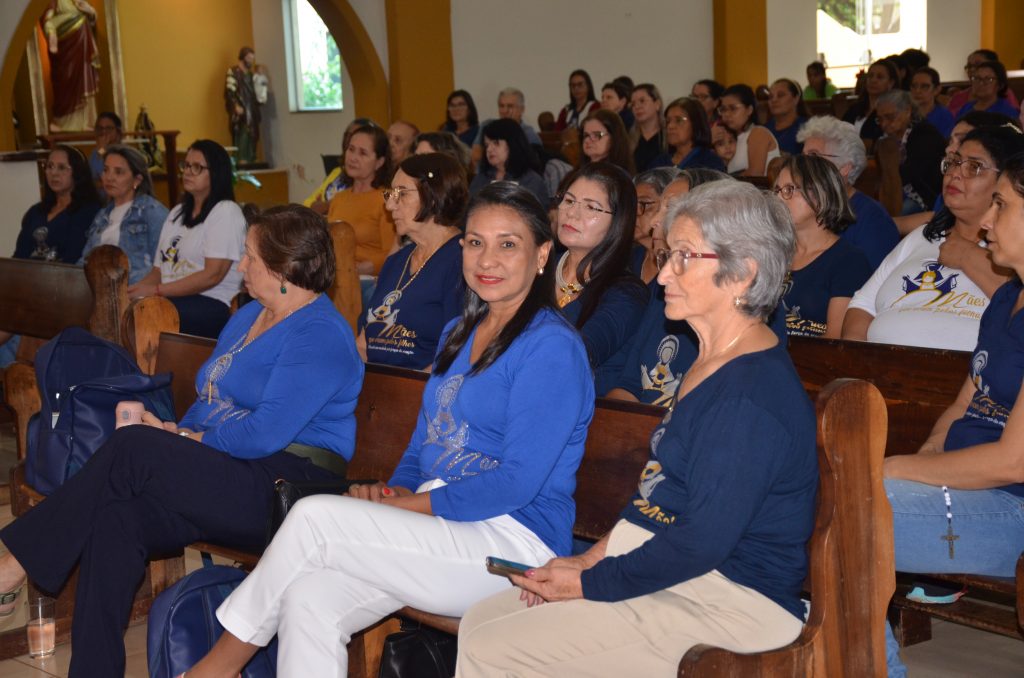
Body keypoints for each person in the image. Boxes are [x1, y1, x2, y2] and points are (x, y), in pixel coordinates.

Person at [180, 182, 595, 677]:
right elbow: (425, 443)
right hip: (443, 527)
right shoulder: (458, 333)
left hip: (513, 546)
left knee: (314, 519)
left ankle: (213, 670)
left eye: (508, 244)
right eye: (475, 242)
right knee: (310, 597)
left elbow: (517, 483)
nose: (488, 258)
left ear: (543, 253)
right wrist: (393, 488)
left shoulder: (551, 347)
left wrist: (407, 505)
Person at [456, 180, 817, 676]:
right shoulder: (710, 362)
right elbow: (655, 498)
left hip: (734, 604)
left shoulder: (748, 398)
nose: (663, 271)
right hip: (687, 579)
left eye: (684, 257)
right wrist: (588, 561)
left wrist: (588, 584)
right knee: (480, 621)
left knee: (495, 649)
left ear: (742, 275)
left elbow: (701, 543)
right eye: (668, 254)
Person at [0, 204, 362, 677]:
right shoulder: (250, 315)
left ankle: (13, 562)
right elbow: (208, 399)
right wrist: (177, 431)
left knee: (133, 447)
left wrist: (189, 439)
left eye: (250, 256)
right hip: (234, 472)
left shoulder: (320, 333)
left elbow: (264, 431)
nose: (241, 266)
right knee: (116, 517)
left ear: (283, 267)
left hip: (287, 488)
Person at [881, 151, 1024, 677]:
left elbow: (1014, 462)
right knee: (824, 501)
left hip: (1013, 508)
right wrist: (927, 456)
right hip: (969, 493)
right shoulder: (1008, 297)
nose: (985, 221)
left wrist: (898, 470)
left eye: (1002, 206)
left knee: (847, 511)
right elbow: (965, 402)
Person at [842, 126, 1024, 351]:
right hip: (877, 372)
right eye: (955, 162)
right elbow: (862, 305)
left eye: (974, 167)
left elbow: (1015, 306)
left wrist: (966, 255)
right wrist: (856, 362)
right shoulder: (922, 236)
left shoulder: (1012, 249)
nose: (954, 173)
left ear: (1005, 182)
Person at [608, 169, 734, 406]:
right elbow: (630, 384)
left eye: (671, 208)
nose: (656, 220)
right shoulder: (664, 288)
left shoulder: (738, 319)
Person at [128, 139, 246, 339]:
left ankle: (153, 370)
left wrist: (157, 292)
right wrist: (134, 291)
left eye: (197, 167)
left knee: (148, 313)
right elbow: (159, 270)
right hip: (172, 297)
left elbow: (212, 275)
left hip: (212, 301)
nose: (188, 172)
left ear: (216, 173)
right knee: (124, 307)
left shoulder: (226, 211)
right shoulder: (177, 212)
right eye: (186, 165)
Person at [359, 153, 467, 370]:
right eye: (390, 193)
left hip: (421, 392)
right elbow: (362, 344)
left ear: (434, 195)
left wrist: (404, 395)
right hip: (374, 391)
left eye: (401, 193)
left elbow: (456, 354)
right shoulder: (396, 262)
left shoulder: (462, 261)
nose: (390, 206)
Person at [554, 163, 649, 395]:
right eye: (568, 200)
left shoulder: (625, 293)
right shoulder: (535, 268)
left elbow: (574, 356)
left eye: (591, 208)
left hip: (584, 415)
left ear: (618, 221)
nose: (572, 213)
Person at [774, 155, 871, 338]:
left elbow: (834, 341)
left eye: (788, 190)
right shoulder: (772, 253)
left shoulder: (849, 261)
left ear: (820, 194)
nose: (779, 198)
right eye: (777, 190)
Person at [797, 116, 900, 268]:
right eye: (802, 157)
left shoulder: (873, 220)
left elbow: (875, 281)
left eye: (813, 156)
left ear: (845, 168)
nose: (802, 166)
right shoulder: (801, 207)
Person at [79, 144, 169, 284]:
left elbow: (164, 266)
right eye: (106, 170)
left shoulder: (152, 212)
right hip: (98, 292)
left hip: (136, 293)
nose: (109, 178)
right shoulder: (102, 215)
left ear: (137, 180)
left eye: (118, 172)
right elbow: (85, 261)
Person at [326, 124, 396, 276]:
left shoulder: (387, 198)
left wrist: (354, 270)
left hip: (370, 279)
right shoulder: (339, 198)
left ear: (379, 162)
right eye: (351, 149)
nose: (353, 158)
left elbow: (393, 254)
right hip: (336, 274)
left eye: (363, 153)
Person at [14, 145, 100, 263]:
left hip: (65, 278)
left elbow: (74, 260)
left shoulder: (88, 212)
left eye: (62, 167)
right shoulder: (35, 212)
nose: (54, 173)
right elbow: (19, 258)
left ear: (78, 172)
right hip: (28, 278)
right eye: (50, 166)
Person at [875, 89, 947, 215]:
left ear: (907, 111)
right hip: (902, 192)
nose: (884, 124)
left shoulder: (924, 134)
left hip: (927, 198)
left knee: (896, 216)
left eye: (890, 117)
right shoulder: (887, 138)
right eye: (880, 119)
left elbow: (910, 174)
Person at [42, 0, 99, 131]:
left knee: (84, 79)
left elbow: (91, 21)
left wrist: (91, 12)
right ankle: (63, 123)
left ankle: (87, 121)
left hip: (83, 48)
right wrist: (51, 33)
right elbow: (46, 19)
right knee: (66, 80)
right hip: (65, 50)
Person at [302, 117, 377, 214]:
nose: (350, 140)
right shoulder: (337, 172)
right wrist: (326, 205)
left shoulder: (377, 185)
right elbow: (307, 206)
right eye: (348, 135)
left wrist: (327, 205)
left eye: (362, 152)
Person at [469, 118, 548, 206]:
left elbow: (535, 216)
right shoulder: (481, 178)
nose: (489, 149)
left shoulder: (531, 180)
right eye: (487, 145)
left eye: (496, 143)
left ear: (512, 144)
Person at [629, 167, 681, 284]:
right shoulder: (628, 259)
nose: (634, 212)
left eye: (644, 204)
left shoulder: (682, 262)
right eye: (631, 204)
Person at [649, 97, 725, 172]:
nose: (670, 126)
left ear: (696, 123)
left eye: (679, 120)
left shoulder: (710, 163)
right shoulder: (659, 163)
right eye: (668, 121)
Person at [471, 88, 543, 166]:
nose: (505, 111)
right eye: (501, 106)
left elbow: (532, 163)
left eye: (510, 106)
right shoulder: (487, 125)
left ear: (522, 109)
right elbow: (476, 156)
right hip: (486, 175)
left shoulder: (528, 133)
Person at [719, 84, 780, 176]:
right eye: (723, 109)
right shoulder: (730, 139)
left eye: (733, 108)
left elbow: (754, 175)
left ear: (749, 110)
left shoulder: (758, 133)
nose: (727, 114)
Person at [948, 49, 1020, 117]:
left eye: (978, 65)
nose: (972, 69)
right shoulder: (962, 102)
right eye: (969, 66)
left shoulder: (1006, 104)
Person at [843, 59, 898, 143]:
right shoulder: (855, 108)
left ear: (891, 83)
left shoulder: (894, 111)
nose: (873, 80)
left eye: (880, 77)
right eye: (870, 76)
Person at [224, 46, 261, 164]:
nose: (251, 61)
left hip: (251, 109)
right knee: (242, 132)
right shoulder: (233, 71)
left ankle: (251, 157)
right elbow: (229, 91)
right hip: (241, 110)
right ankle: (241, 158)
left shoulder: (250, 74)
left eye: (252, 59)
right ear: (243, 57)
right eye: (249, 58)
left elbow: (255, 92)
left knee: (253, 133)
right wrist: (235, 106)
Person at [956, 60, 1021, 121]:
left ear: (1000, 85)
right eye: (976, 78)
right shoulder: (966, 108)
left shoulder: (1007, 112)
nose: (981, 83)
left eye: (988, 79)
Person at [579, 109, 635, 175]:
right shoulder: (578, 172)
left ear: (614, 138)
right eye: (586, 135)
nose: (587, 140)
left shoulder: (618, 176)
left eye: (597, 135)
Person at [766, 78, 810, 155]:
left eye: (780, 95)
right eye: (770, 97)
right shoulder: (764, 129)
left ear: (796, 99)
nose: (774, 100)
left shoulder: (808, 129)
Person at [629, 83, 666, 172]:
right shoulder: (629, 139)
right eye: (633, 104)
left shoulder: (669, 136)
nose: (637, 107)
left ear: (657, 104)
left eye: (642, 101)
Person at [910, 67, 955, 138]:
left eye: (924, 87)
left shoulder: (944, 116)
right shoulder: (905, 113)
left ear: (937, 89)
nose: (917, 91)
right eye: (914, 86)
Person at [89, 112, 123, 181]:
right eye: (100, 128)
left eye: (108, 128)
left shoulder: (124, 152)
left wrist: (102, 151)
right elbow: (92, 177)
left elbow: (107, 178)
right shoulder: (96, 152)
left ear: (118, 132)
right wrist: (101, 150)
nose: (103, 132)